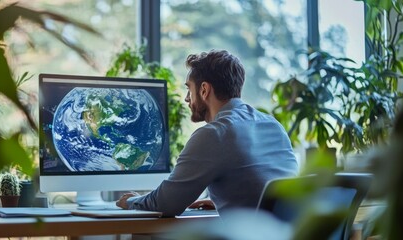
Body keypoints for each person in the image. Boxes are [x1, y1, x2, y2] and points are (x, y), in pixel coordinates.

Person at [116, 49, 299, 217]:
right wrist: (225, 200)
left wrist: (131, 201)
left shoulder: (214, 134)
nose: (187, 98)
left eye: (189, 89)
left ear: (204, 89)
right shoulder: (272, 124)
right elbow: (265, 186)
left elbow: (166, 204)